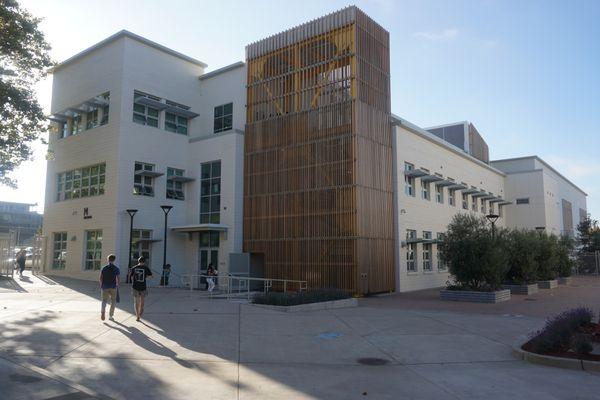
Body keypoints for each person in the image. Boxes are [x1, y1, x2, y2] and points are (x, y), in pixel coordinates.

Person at [129, 256, 152, 322]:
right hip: (143, 286)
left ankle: (137, 316)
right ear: (144, 262)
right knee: (142, 301)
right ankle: (140, 313)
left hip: (135, 286)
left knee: (136, 301)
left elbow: (131, 276)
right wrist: (145, 276)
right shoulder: (146, 268)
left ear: (138, 261)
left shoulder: (134, 268)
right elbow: (151, 275)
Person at [99, 254, 120, 321]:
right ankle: (111, 315)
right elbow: (118, 279)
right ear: (114, 260)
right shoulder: (116, 268)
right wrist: (117, 285)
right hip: (113, 287)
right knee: (113, 301)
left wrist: (101, 285)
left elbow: (100, 278)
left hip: (105, 286)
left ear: (108, 259)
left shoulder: (104, 268)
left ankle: (103, 312)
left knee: (104, 301)